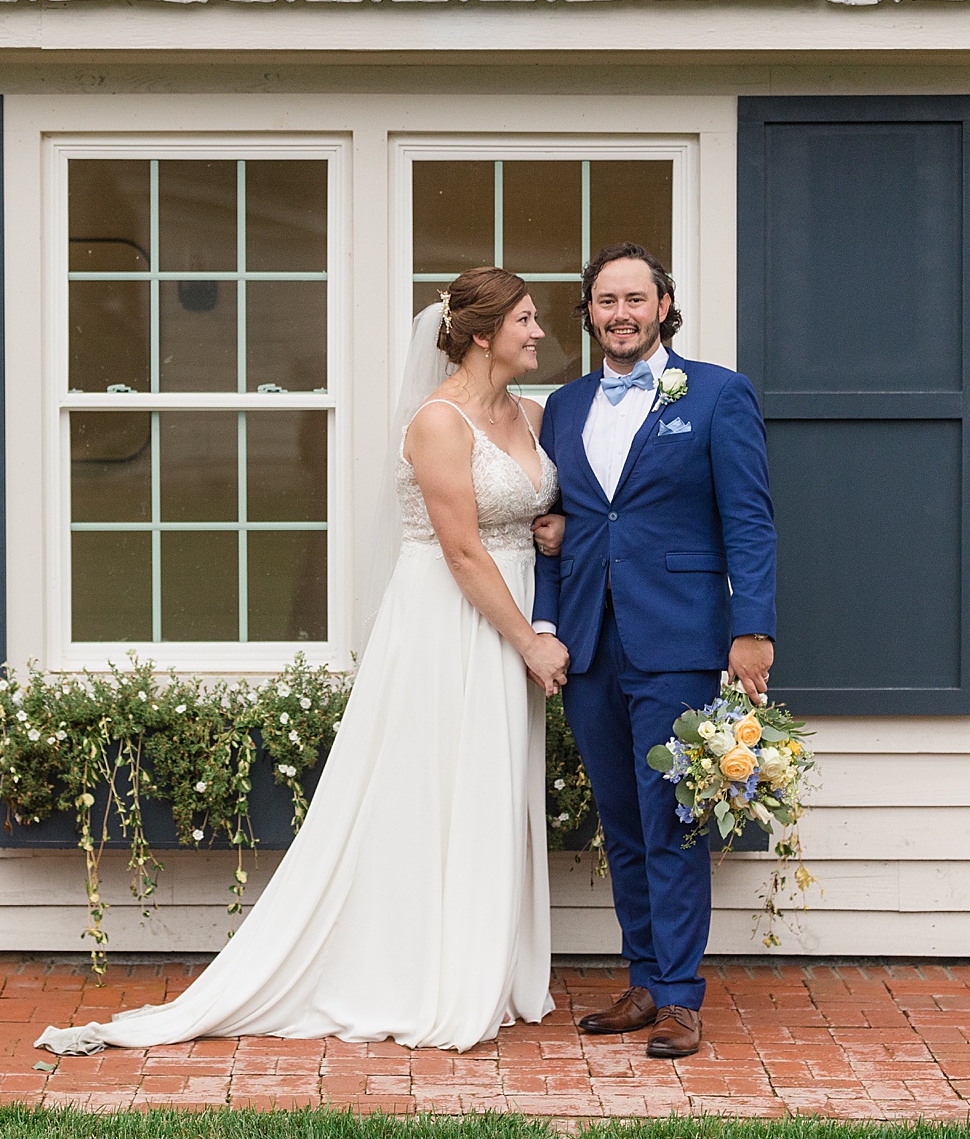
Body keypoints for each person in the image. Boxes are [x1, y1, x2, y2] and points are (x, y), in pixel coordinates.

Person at [35, 267, 569, 1056]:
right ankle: (422, 971)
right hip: (449, 621)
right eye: (526, 319)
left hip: (514, 604)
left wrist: (551, 526)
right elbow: (459, 547)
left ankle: (484, 955)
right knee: (431, 786)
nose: (540, 333)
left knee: (490, 781)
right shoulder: (437, 422)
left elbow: (538, 503)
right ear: (484, 333)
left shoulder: (530, 413)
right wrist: (528, 640)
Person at [530, 243, 776, 1060]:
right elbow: (559, 525)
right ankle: (642, 983)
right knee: (622, 820)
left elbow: (749, 518)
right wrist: (545, 624)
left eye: (636, 299)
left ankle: (679, 997)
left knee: (673, 819)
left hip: (676, 636)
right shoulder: (562, 407)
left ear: (664, 306)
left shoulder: (716, 393)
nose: (621, 314)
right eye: (606, 300)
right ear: (590, 312)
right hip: (590, 640)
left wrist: (753, 630)